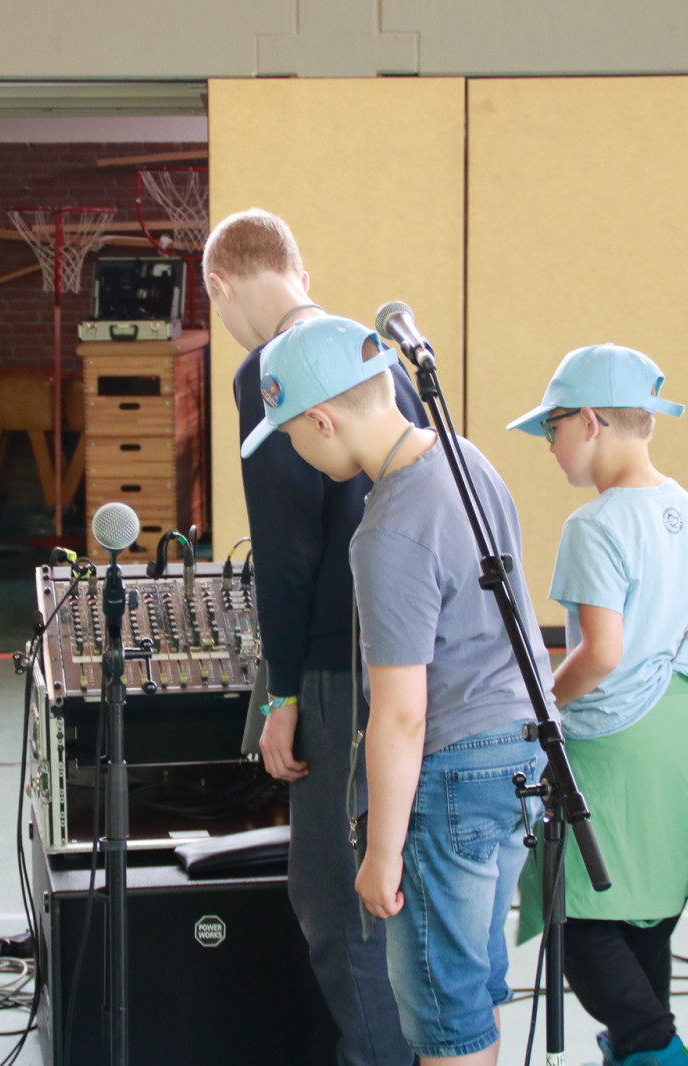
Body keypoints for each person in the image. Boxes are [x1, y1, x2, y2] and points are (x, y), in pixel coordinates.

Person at [241, 314, 551, 1066]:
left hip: (452, 773)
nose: (294, 450)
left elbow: (401, 716)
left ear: (323, 420)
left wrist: (381, 855)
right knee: (474, 985)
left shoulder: (386, 532)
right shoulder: (465, 460)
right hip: (520, 753)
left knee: (445, 1014)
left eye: (291, 434)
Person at [506, 343, 688, 1066]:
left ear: (591, 422)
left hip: (618, 747)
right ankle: (637, 1044)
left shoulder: (594, 526)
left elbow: (602, 655)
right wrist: (669, 659)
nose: (549, 445)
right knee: (648, 912)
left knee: (580, 918)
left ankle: (655, 1048)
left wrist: (538, 709)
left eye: (552, 427)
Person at [207, 207, 421, 1066]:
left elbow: (287, 553)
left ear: (219, 286)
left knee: (334, 900)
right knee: (400, 884)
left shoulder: (270, 371)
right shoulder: (375, 356)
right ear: (299, 272)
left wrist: (284, 695)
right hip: (410, 657)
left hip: (339, 664)